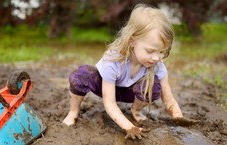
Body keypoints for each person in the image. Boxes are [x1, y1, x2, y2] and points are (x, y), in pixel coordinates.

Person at [63, 4, 196, 139]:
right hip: (107, 89)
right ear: (132, 41)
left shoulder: (157, 65)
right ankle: (73, 112)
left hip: (130, 93)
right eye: (150, 51)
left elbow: (168, 97)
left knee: (154, 85)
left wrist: (178, 116)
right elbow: (109, 103)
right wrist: (128, 127)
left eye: (162, 52)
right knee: (81, 75)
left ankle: (136, 111)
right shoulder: (113, 60)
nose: (156, 58)